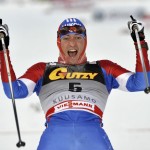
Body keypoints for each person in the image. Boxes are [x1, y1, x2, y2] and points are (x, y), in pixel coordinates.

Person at [0, 17, 150, 150]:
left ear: (85, 41)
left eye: (78, 37)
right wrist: (3, 50)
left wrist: (140, 43)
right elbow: (13, 91)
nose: (72, 43)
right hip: (56, 137)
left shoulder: (104, 68)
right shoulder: (43, 69)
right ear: (58, 42)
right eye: (66, 38)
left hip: (91, 136)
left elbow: (142, 83)